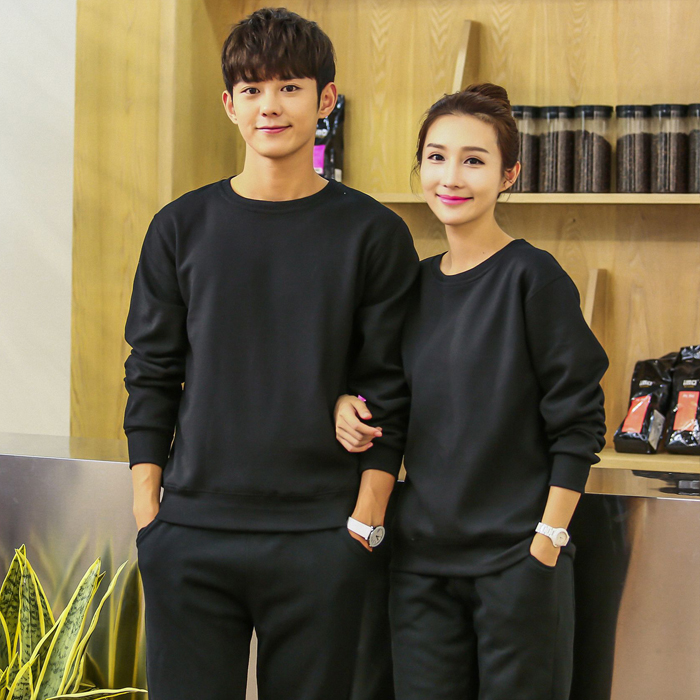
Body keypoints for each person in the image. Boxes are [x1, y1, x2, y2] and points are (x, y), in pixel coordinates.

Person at [123, 8, 419, 700]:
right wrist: (150, 520)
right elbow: (152, 373)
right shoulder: (179, 228)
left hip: (322, 537)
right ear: (230, 104)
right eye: (252, 89)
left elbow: (391, 384)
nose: (270, 106)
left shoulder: (373, 234)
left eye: (289, 86)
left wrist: (364, 521)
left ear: (326, 98)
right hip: (190, 534)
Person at [334, 83, 608, 700]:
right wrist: (346, 404)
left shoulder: (533, 277)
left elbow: (580, 420)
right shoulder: (413, 286)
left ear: (509, 174)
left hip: (518, 562)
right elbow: (391, 407)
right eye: (436, 157)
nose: (451, 177)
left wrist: (547, 541)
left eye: (474, 160)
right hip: (420, 569)